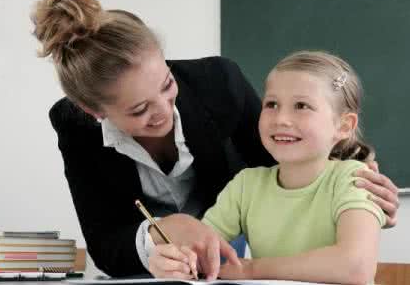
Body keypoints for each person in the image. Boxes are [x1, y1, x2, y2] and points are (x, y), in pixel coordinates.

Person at [30, 0, 400, 279]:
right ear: (93, 111)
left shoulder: (216, 83)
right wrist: (161, 244)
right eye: (139, 110)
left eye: (166, 83)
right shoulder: (74, 125)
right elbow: (107, 241)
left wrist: (362, 170)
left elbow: (289, 152)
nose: (163, 112)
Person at [149, 51, 387, 284]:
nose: (281, 118)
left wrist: (252, 269)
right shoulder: (246, 185)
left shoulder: (355, 180)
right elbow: (200, 248)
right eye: (271, 104)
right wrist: (174, 261)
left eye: (302, 106)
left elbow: (355, 267)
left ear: (344, 126)